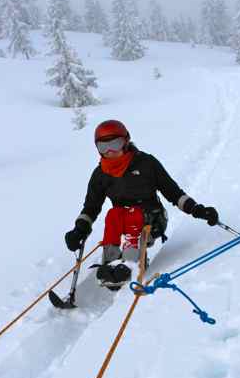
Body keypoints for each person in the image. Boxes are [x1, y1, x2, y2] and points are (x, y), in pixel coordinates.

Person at [65, 120, 219, 289]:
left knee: (132, 213)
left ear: (126, 141)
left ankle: (130, 264)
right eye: (103, 147)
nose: (110, 151)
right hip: (123, 219)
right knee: (113, 214)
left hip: (152, 220)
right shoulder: (101, 173)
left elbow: (173, 193)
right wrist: (79, 230)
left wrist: (197, 210)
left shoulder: (146, 163)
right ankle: (111, 263)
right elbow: (91, 207)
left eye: (115, 144)